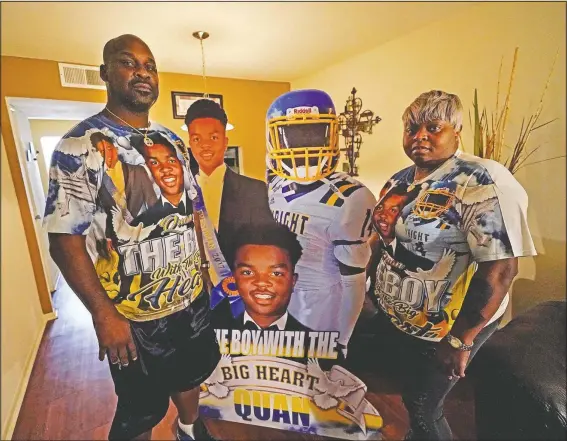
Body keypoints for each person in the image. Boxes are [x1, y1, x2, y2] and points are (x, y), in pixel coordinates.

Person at [44, 34, 220, 441]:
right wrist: (104, 313)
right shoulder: (78, 146)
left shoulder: (173, 141)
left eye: (150, 65)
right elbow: (63, 240)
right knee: (139, 408)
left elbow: (191, 212)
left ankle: (190, 428)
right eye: (129, 63)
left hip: (189, 299)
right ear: (106, 73)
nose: (142, 72)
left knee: (190, 374)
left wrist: (205, 270)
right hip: (134, 315)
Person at [365, 90, 536, 440]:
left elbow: (501, 270)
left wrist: (460, 340)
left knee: (424, 407)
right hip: (401, 317)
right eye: (412, 129)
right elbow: (382, 242)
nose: (420, 137)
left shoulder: (480, 181)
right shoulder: (400, 180)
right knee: (409, 395)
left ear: (456, 132)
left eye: (433, 127)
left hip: (449, 324)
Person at [265, 89, 376, 357]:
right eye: (294, 134)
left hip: (320, 311)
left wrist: (342, 339)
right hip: (278, 304)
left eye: (314, 132)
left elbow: (354, 282)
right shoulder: (274, 185)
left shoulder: (352, 197)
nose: (304, 144)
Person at [184, 99, 275, 324]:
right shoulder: (181, 192)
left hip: (240, 298)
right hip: (192, 301)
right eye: (197, 139)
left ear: (225, 142)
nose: (205, 145)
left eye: (213, 138)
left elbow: (265, 247)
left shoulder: (255, 190)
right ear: (190, 144)